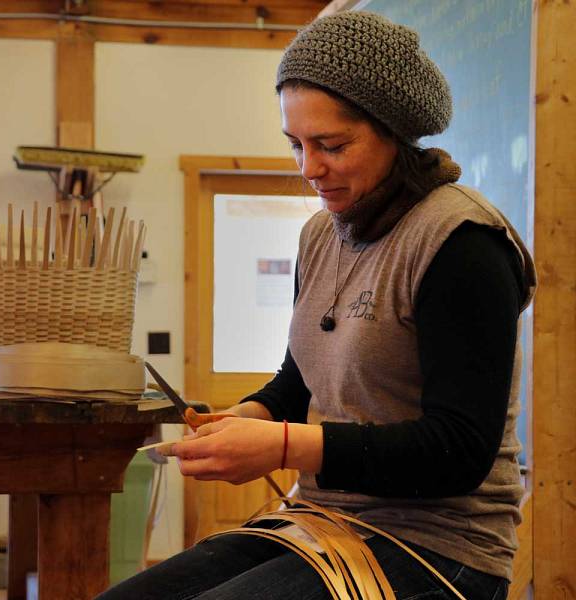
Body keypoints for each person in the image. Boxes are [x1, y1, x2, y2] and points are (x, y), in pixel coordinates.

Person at [98, 10, 536, 600]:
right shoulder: (321, 236)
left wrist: (279, 446)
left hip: (439, 547)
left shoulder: (461, 243)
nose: (309, 169)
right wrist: (248, 417)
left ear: (395, 132)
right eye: (296, 145)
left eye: (331, 145)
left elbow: (458, 451)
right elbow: (299, 383)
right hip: (326, 523)